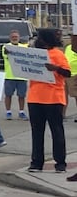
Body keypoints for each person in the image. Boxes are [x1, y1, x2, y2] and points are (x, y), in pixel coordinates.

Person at [26, 29, 69, 174]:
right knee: (36, 132)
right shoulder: (34, 54)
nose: (38, 40)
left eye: (41, 38)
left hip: (53, 97)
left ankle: (60, 163)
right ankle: (36, 162)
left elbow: (67, 73)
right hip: (35, 97)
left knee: (56, 131)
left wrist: (55, 68)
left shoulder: (57, 54)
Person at [2, 30, 29, 120]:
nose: (14, 38)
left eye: (16, 37)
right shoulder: (6, 47)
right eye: (13, 37)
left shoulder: (24, 47)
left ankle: (21, 111)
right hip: (10, 76)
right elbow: (6, 54)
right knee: (8, 94)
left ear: (19, 38)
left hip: (22, 76)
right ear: (10, 38)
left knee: (21, 95)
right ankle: (8, 112)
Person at [64, 34, 77, 122]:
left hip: (75, 74)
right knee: (63, 96)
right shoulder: (68, 47)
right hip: (65, 74)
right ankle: (62, 114)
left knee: (76, 96)